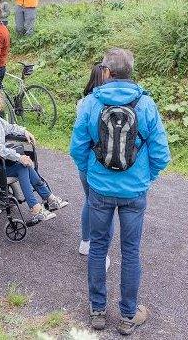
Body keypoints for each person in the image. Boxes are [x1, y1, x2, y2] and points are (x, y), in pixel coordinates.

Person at [69, 48, 170, 335]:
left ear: (107, 72)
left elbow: (77, 149)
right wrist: (144, 178)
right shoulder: (146, 104)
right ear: (130, 72)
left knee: (98, 247)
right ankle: (128, 315)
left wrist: (92, 174)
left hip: (100, 188)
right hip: (134, 191)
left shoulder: (90, 103)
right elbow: (161, 153)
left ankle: (97, 310)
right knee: (131, 251)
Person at [0, 86, 67, 224]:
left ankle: (46, 200)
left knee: (25, 165)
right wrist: (19, 157)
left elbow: (10, 127)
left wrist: (24, 131)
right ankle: (39, 205)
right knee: (23, 166)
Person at [75, 63, 111, 264]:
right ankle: (98, 247)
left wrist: (81, 163)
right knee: (101, 205)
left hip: (87, 158)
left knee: (89, 201)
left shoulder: (83, 103)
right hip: (100, 160)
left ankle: (86, 241)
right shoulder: (104, 104)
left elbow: (79, 137)